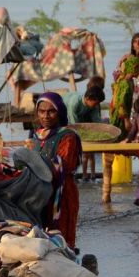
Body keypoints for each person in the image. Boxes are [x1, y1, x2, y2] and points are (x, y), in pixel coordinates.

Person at [30, 93, 82, 249]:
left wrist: (33, 163)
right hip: (40, 192)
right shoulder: (37, 136)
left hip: (62, 193)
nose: (45, 116)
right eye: (41, 111)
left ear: (59, 112)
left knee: (61, 235)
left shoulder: (67, 136)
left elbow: (63, 165)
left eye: (51, 111)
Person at [64, 84, 106, 182]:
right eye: (95, 103)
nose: (96, 106)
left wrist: (105, 130)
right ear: (88, 98)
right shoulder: (74, 103)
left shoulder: (93, 106)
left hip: (81, 116)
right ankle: (70, 172)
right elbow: (74, 125)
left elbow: (97, 121)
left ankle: (88, 174)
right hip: (66, 117)